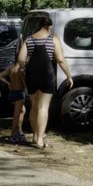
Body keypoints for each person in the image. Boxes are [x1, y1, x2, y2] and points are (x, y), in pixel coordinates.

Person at [16, 15, 73, 149]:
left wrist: (25, 67)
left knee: (34, 106)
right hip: (47, 75)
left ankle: (35, 136)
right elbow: (60, 59)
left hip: (32, 75)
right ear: (48, 26)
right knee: (43, 107)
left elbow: (21, 59)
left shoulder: (29, 39)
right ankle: (40, 140)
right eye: (51, 28)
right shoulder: (53, 38)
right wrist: (69, 76)